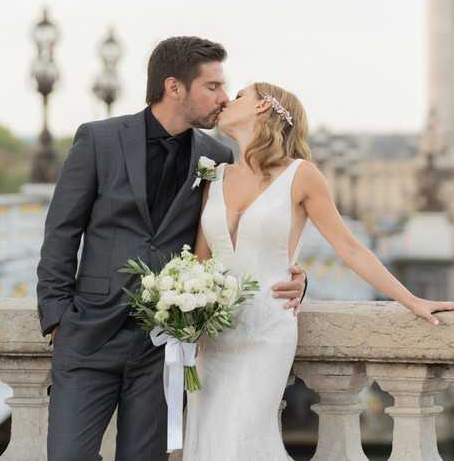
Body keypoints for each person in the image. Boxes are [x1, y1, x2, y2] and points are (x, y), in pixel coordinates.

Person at [36, 37, 306, 461]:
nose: (223, 98)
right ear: (174, 87)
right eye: (213, 87)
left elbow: (239, 232)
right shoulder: (99, 139)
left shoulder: (217, 157)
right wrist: (57, 318)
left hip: (162, 347)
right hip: (88, 336)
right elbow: (61, 232)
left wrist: (293, 274)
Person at [183, 82, 454, 460]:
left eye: (239, 95)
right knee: (207, 439)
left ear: (262, 109)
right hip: (214, 337)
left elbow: (349, 247)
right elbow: (201, 263)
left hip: (265, 331)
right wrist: (186, 316)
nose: (225, 101)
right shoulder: (214, 177)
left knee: (245, 438)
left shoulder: (302, 175)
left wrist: (412, 300)